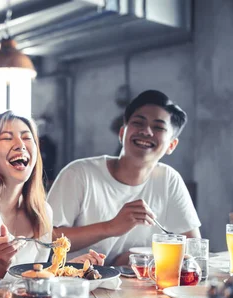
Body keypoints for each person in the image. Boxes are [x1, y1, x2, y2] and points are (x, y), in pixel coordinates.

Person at [0, 111, 104, 294]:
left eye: (26, 138)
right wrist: (0, 263)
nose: (20, 145)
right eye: (7, 138)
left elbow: (29, 281)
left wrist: (68, 270)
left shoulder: (42, 212)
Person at [46, 90, 201, 266]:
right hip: (77, 285)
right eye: (138, 123)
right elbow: (47, 239)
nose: (146, 131)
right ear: (122, 133)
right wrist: (111, 227)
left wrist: (137, 257)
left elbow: (192, 247)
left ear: (171, 145)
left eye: (158, 127)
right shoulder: (78, 174)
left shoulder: (169, 179)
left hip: (140, 288)